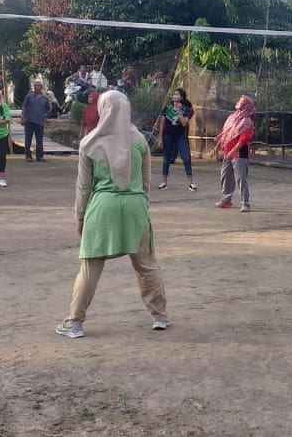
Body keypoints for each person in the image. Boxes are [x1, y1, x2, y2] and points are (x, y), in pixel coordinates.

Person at [55, 91, 169, 339]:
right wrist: (142, 208)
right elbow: (147, 180)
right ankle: (159, 316)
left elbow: (83, 186)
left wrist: (80, 216)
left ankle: (74, 322)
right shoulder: (139, 141)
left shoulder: (89, 143)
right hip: (135, 206)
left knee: (89, 267)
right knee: (146, 264)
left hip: (102, 208)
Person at [211, 94, 255, 212]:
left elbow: (243, 140)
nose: (238, 102)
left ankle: (245, 202)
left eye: (241, 101)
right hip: (227, 152)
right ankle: (226, 200)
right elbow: (225, 133)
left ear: (245, 105)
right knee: (225, 176)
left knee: (240, 178)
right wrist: (218, 146)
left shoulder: (247, 122)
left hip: (239, 154)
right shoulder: (232, 117)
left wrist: (233, 151)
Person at [152, 87, 196, 192]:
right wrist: (160, 138)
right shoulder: (167, 107)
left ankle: (191, 183)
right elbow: (162, 123)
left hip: (180, 136)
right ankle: (164, 182)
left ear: (181, 97)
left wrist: (180, 111)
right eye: (174, 94)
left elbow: (184, 123)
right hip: (168, 135)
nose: (174, 96)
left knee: (186, 158)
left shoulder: (187, 108)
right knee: (166, 159)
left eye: (177, 94)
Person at [20, 80, 49, 162]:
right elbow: (24, 106)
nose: (37, 87)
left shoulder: (45, 98)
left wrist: (43, 114)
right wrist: (23, 117)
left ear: (41, 87)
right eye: (35, 85)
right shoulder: (29, 96)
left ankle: (40, 156)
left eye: (38, 86)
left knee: (39, 140)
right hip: (29, 120)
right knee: (28, 139)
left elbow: (48, 108)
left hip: (40, 121)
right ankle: (28, 156)